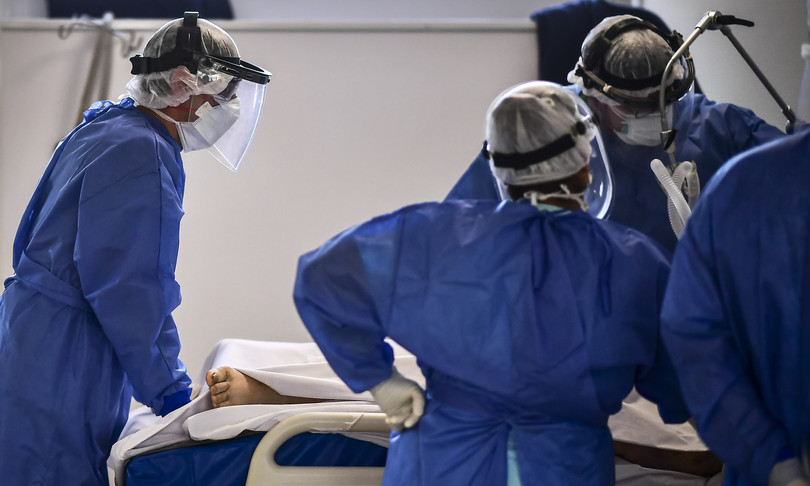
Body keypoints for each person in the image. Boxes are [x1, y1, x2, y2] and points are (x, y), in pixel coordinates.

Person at [292, 80, 689, 485]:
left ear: (499, 167)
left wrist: (382, 381)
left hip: (442, 463)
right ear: (585, 165)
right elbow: (681, 378)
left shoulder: (434, 235)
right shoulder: (633, 262)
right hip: (563, 466)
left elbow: (323, 278)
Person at [0, 12, 271, 486]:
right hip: (65, 357)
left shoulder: (106, 126)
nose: (225, 108)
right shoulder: (141, 151)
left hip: (30, 334)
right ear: (184, 84)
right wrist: (173, 395)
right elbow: (132, 290)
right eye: (221, 95)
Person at [447, 14, 785, 254]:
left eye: (665, 102)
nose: (658, 116)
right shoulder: (545, 134)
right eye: (638, 108)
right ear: (593, 99)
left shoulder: (721, 128)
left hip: (692, 304)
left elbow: (793, 170)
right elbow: (461, 231)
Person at [660, 128, 810, 486]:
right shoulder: (744, 187)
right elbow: (694, 346)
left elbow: (694, 350)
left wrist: (775, 465)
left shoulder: (741, 176)